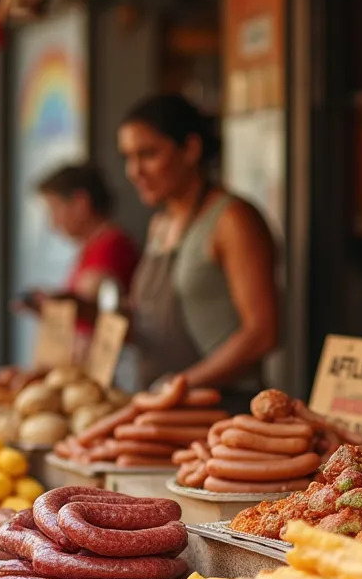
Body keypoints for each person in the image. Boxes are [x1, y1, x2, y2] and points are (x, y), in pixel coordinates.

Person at [119, 94, 278, 411]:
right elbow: (149, 323)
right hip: (165, 408)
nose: (135, 171)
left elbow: (262, 332)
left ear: (190, 149)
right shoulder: (159, 224)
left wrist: (181, 384)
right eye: (128, 157)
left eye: (148, 154)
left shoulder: (231, 220)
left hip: (222, 410)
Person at [21, 163, 140, 355]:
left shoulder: (110, 246)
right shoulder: (92, 247)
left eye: (55, 210)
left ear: (80, 203)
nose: (53, 223)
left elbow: (92, 314)